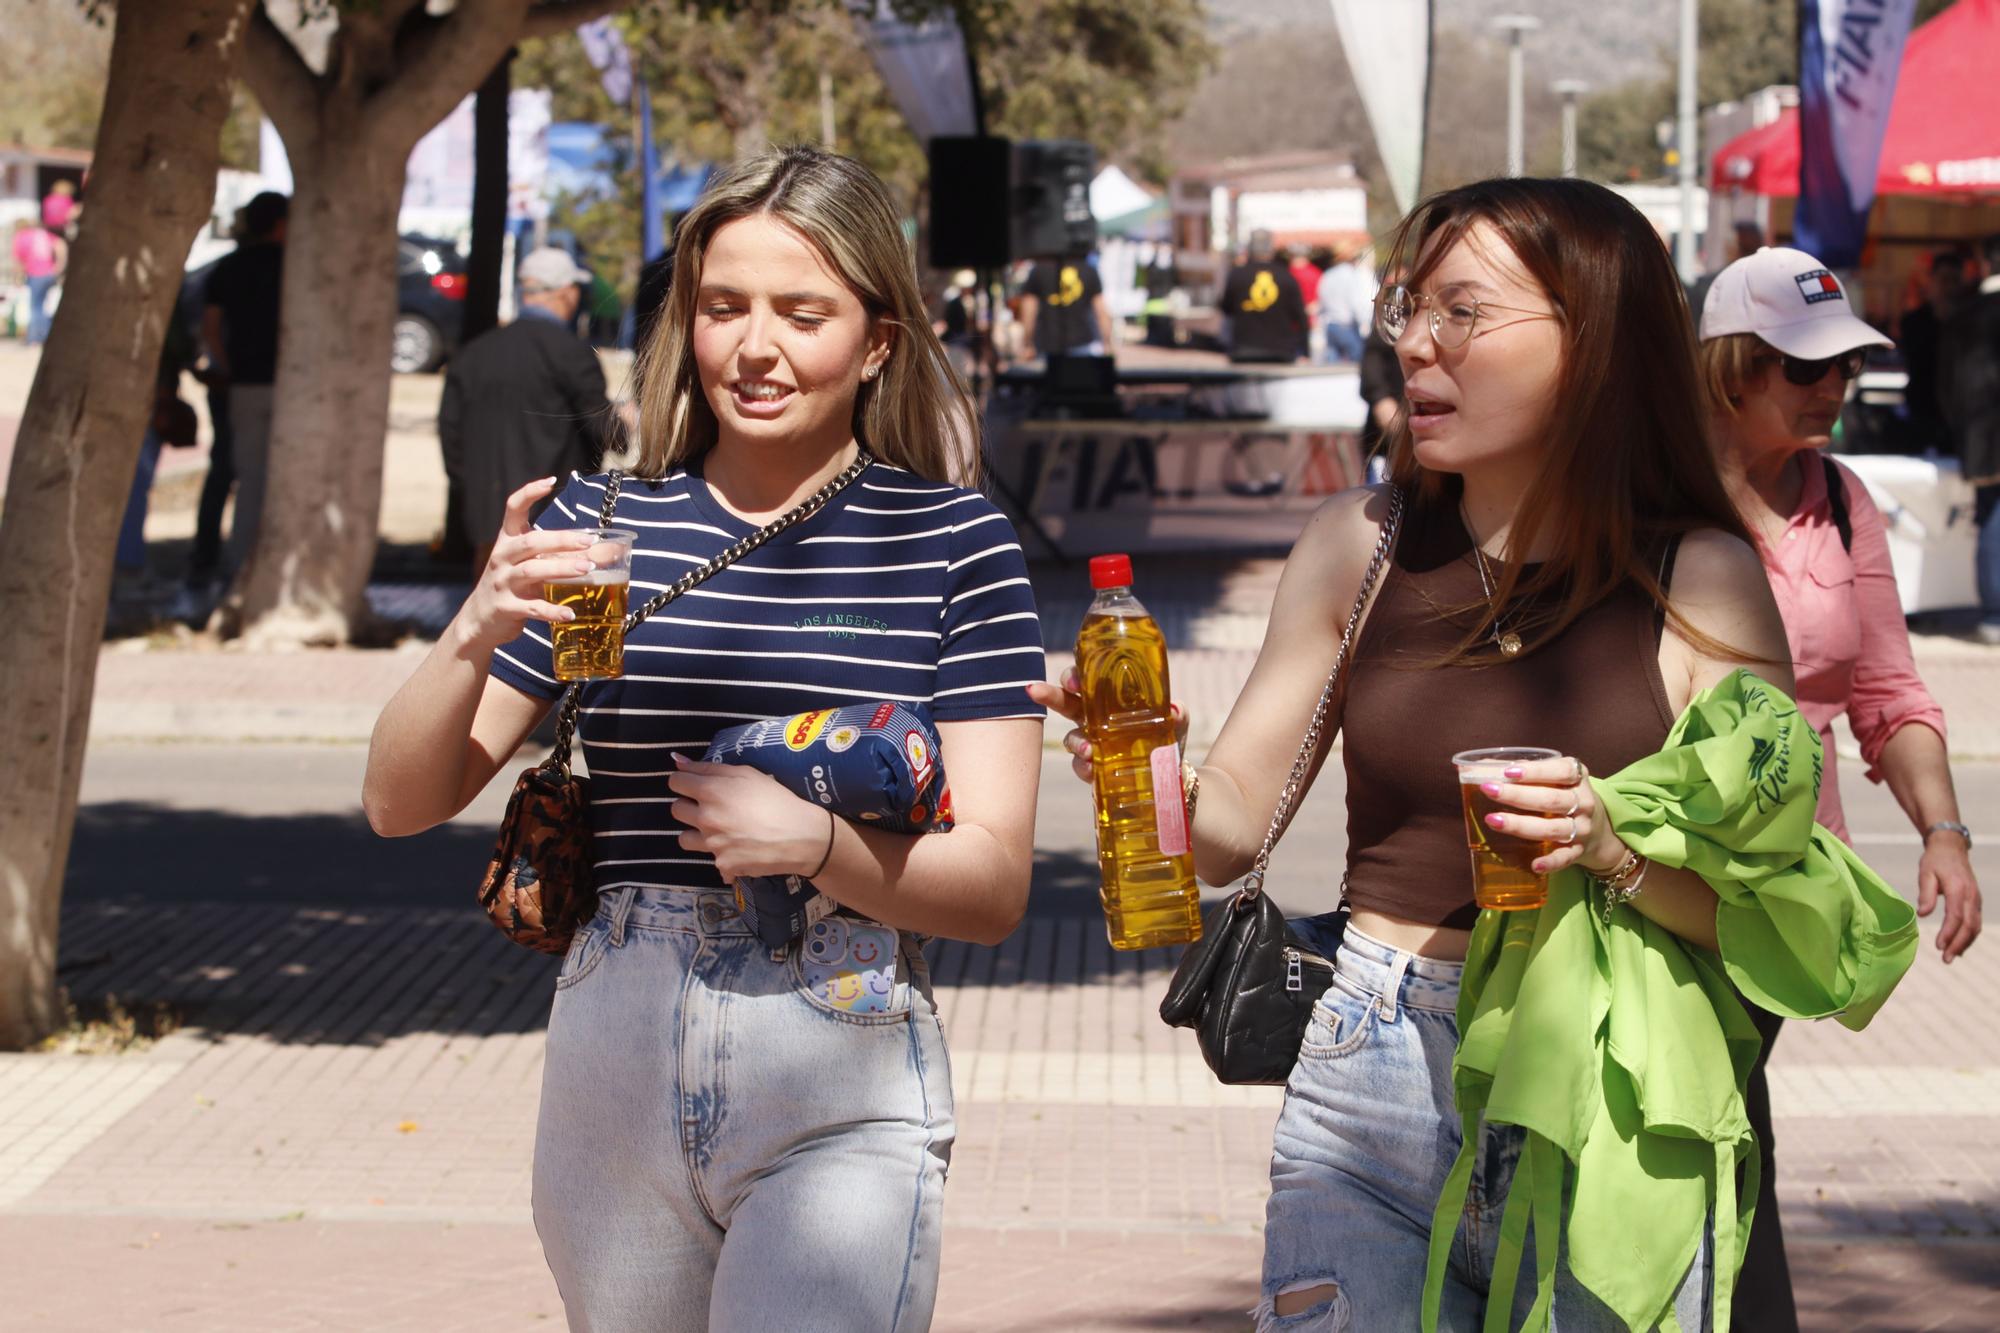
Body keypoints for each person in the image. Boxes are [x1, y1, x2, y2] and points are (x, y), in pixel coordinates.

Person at [1036, 177, 1808, 1329]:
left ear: (1592, 336)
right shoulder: (1358, 543)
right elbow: (1228, 829)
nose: (1410, 343)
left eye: (1462, 311)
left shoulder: (1699, 579)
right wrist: (1137, 771)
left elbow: (1764, 916)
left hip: (1609, 1085)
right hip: (1371, 1054)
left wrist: (1608, 849)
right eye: (1406, 308)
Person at [362, 145, 1046, 1331]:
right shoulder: (605, 531)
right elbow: (401, 799)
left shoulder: (950, 541)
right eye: (723, 307)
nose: (756, 346)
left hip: (838, 1041)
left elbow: (989, 886)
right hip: (614, 1050)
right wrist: (474, 623)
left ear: (878, 340)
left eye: (803, 311)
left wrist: (817, 842)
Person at [1697, 245, 1985, 1332]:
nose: (1833, 389)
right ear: (1731, 365)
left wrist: (1942, 832)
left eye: (1842, 370)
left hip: (1780, 893)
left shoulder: (1840, 496)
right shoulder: (1642, 487)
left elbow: (1885, 687)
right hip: (1640, 874)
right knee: (1714, 1132)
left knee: (1725, 1129)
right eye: (1804, 368)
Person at [438, 246, 620, 574]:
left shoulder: (474, 354)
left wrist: (473, 491)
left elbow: (450, 432)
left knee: (491, 614)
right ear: (567, 293)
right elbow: (602, 427)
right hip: (555, 524)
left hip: (488, 526)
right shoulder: (570, 353)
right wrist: (625, 425)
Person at [200, 190, 287, 574]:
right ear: (282, 224)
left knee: (248, 478)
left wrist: (229, 366)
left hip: (245, 385)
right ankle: (251, 568)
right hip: (283, 388)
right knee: (266, 480)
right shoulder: (297, 267)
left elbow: (211, 328)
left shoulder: (228, 267)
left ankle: (238, 564)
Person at [1941, 232, 2000, 645]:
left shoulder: (1965, 312)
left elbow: (1944, 383)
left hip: (1976, 435)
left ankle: (1994, 612)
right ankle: (1996, 612)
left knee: (1990, 518)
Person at [1897, 251, 1966, 452]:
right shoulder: (1913, 323)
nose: (1950, 287)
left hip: (1959, 420)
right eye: (1944, 280)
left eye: (1955, 280)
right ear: (1932, 281)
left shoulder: (1970, 323)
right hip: (1923, 414)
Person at [1221, 229, 1308, 364]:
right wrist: (1305, 351)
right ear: (1272, 249)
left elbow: (1226, 309)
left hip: (1243, 350)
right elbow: (1301, 318)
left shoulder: (1237, 275)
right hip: (1281, 352)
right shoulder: (1286, 276)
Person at [1018, 252, 1116, 359]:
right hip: (1083, 344)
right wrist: (1107, 344)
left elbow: (1029, 311)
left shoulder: (1039, 269)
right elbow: (1101, 311)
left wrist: (1027, 343)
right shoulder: (1089, 269)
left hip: (1047, 344)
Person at [1317, 241, 1375, 364]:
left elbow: (1322, 301)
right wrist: (1365, 323)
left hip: (1330, 325)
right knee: (1360, 364)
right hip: (1346, 326)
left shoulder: (1327, 275)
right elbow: (1357, 302)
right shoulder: (1353, 275)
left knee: (1332, 368)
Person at [11, 218, 64, 346]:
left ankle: (36, 337)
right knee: (42, 306)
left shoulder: (21, 237)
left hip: (36, 274)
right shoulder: (41, 234)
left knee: (36, 307)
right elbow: (61, 245)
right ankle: (46, 335)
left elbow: (18, 261)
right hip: (50, 273)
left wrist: (17, 278)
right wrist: (59, 266)